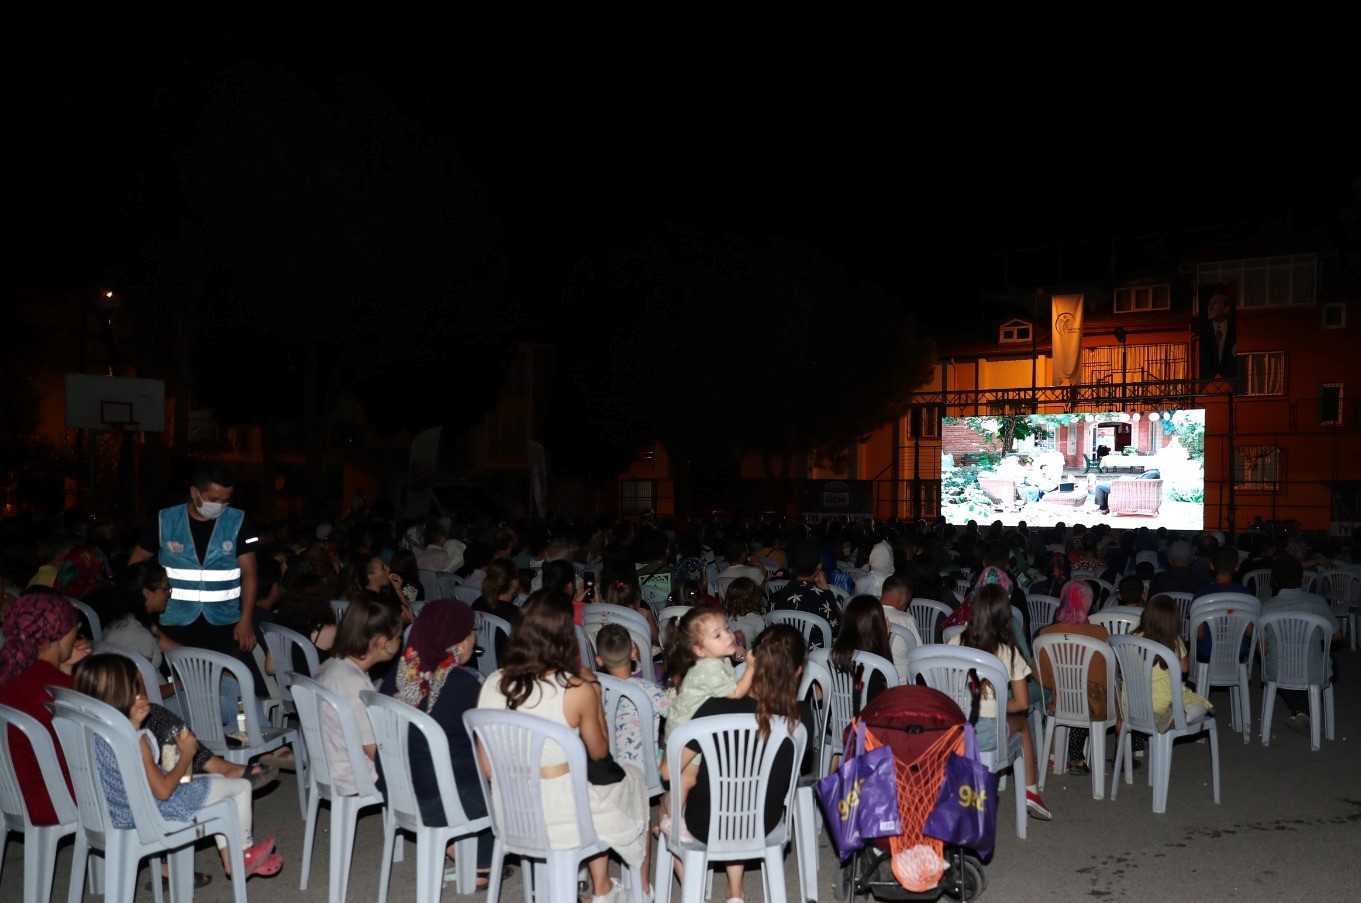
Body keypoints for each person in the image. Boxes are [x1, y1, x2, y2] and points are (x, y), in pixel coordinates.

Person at [477, 593, 648, 903]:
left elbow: (487, 768)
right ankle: (622, 890)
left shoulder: (492, 683)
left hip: (513, 814)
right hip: (563, 819)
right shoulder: (577, 688)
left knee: (588, 782)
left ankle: (594, 885)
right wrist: (594, 695)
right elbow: (600, 753)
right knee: (633, 779)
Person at [73, 654, 283, 879]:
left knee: (223, 783)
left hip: (124, 813)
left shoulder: (99, 733)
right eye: (134, 691)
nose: (142, 696)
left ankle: (233, 859)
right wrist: (188, 754)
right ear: (116, 697)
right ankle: (242, 853)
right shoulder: (136, 740)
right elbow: (163, 791)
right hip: (155, 813)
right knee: (240, 788)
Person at [666, 623, 814, 903]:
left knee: (672, 794)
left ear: (752, 661)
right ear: (798, 671)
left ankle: (714, 884)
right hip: (763, 822)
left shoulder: (713, 708)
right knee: (743, 789)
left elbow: (670, 769)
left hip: (705, 823)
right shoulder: (803, 718)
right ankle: (735, 889)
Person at [378, 598, 494, 888]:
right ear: (455, 638)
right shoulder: (465, 684)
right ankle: (481, 863)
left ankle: (459, 849)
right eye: (469, 631)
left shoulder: (394, 676)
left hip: (401, 791)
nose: (473, 638)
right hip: (448, 802)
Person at [128, 465, 260, 655]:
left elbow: (250, 573)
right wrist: (143, 608)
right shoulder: (165, 520)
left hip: (225, 620)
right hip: (174, 620)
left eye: (225, 501)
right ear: (194, 492)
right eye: (213, 499)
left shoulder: (238, 520)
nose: (220, 506)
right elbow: (135, 564)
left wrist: (246, 620)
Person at [948, 583, 1051, 820]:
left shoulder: (954, 641)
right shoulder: (1008, 652)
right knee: (1023, 724)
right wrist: (996, 706)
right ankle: (1031, 792)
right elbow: (1023, 704)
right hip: (986, 732)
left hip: (955, 729)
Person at [0, 592, 91, 826]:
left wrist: (65, 670)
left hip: (12, 795)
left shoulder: (11, 673)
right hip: (54, 799)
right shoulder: (57, 689)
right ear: (59, 634)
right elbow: (87, 751)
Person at [315, 594, 404, 796]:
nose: (400, 642)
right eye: (398, 637)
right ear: (382, 641)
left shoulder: (333, 664)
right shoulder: (354, 684)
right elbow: (373, 749)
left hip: (329, 766)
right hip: (354, 775)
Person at [1035, 580, 1110, 776]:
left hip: (1060, 701)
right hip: (1094, 704)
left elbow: (1041, 677)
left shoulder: (1045, 634)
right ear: (1088, 602)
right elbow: (1108, 674)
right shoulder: (1100, 634)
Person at [1259, 556, 1339, 735]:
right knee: (1326, 660)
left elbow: (1261, 649)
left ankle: (1300, 710)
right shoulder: (1317, 602)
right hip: (1313, 669)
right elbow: (1337, 634)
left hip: (1279, 669)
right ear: (1302, 579)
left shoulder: (1266, 608)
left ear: (1274, 582)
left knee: (1284, 664)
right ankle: (1305, 710)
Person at [1131, 595, 1214, 732]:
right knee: (1202, 705)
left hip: (1135, 703)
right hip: (1164, 703)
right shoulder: (1174, 641)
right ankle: (1175, 719)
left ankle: (1165, 720)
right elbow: (1184, 668)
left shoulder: (1132, 638)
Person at [767, 541, 842, 646]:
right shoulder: (823, 598)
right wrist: (826, 589)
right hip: (816, 659)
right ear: (819, 566)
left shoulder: (775, 597)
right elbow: (838, 627)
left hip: (784, 655)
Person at [830, 594, 892, 704]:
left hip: (836, 721)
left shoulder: (831, 658)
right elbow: (887, 701)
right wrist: (884, 641)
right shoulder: (877, 668)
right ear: (879, 626)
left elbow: (819, 696)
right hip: (865, 721)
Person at [880, 575, 922, 684]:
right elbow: (919, 655)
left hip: (869, 682)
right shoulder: (907, 620)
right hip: (900, 684)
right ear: (903, 598)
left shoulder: (865, 614)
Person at [1198, 286, 1236, 379]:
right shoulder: (1202, 332)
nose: (1210, 308)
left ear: (1226, 309)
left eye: (1215, 303)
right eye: (1209, 304)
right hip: (1207, 385)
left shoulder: (1233, 331)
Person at [722, 576, 766, 651]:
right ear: (755, 598)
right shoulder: (757, 620)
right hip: (748, 657)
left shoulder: (724, 617)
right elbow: (762, 646)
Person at [1092, 469, 1161, 515]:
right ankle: (1104, 508)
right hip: (1126, 487)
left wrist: (1124, 479)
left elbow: (1136, 483)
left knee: (1099, 487)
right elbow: (1137, 481)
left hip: (1124, 488)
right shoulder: (1154, 474)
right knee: (1103, 485)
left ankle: (1103, 509)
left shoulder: (1151, 474)